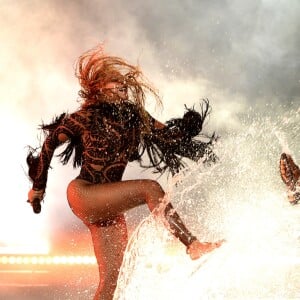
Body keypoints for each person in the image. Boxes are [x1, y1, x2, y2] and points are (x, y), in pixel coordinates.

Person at [27, 46, 223, 300]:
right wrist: (38, 188)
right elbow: (49, 143)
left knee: (112, 284)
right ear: (99, 88)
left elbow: (168, 138)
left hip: (107, 206)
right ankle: (193, 245)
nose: (122, 85)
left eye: (123, 82)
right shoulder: (85, 117)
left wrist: (188, 131)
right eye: (115, 81)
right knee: (150, 188)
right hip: (84, 194)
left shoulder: (135, 116)